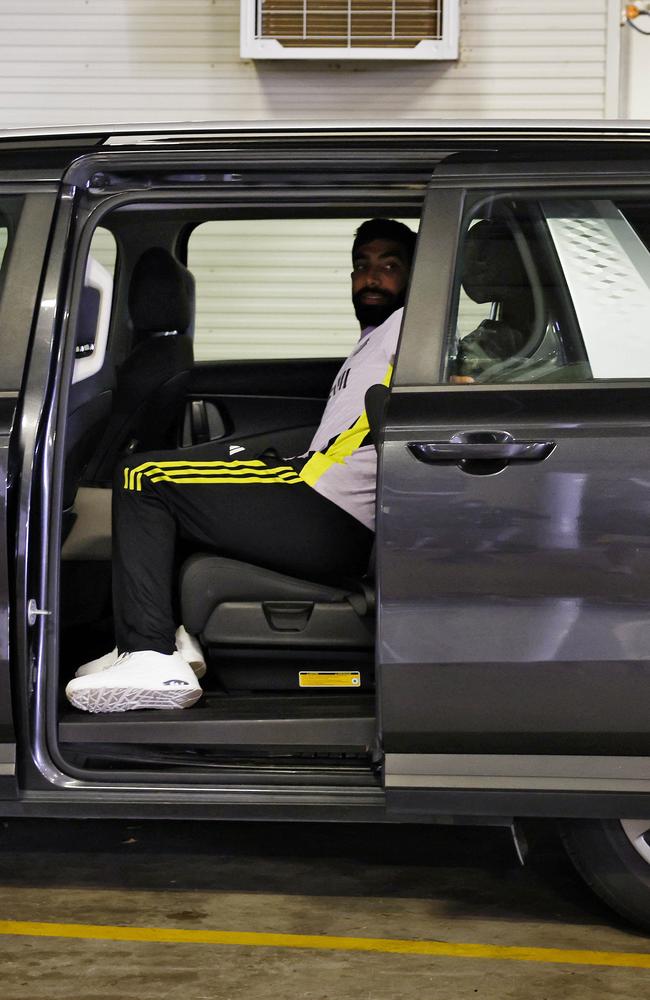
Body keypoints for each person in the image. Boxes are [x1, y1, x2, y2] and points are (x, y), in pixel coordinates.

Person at [65, 218, 417, 714]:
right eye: (362, 267)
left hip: (331, 507)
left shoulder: (411, 327)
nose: (372, 277)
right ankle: (165, 645)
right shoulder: (374, 337)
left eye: (389, 266)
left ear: (415, 277)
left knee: (143, 478)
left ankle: (149, 655)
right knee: (164, 479)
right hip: (318, 486)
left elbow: (458, 372)